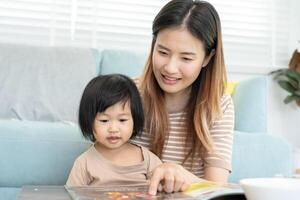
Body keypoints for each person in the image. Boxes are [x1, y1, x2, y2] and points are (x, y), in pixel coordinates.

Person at [131, 0, 234, 195]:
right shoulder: (129, 94)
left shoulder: (219, 105)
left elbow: (218, 188)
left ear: (207, 58)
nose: (170, 68)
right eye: (162, 52)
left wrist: (181, 175)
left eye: (186, 58)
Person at [66, 74, 162, 186]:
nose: (113, 129)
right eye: (104, 120)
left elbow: (165, 190)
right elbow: (71, 195)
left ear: (134, 119)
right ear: (89, 121)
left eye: (122, 120)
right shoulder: (84, 163)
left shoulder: (147, 159)